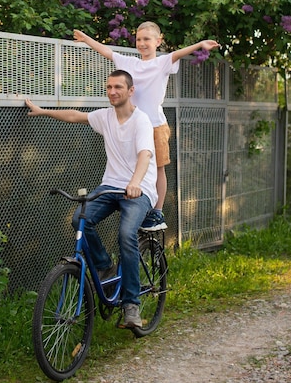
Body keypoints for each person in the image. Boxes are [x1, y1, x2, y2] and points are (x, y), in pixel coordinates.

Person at [25, 69, 157, 328]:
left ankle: (131, 305)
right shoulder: (106, 117)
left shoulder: (140, 121)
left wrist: (135, 182)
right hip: (111, 186)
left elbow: (145, 155)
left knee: (126, 234)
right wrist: (44, 112)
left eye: (118, 87)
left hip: (139, 189)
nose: (112, 92)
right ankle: (105, 267)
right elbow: (76, 116)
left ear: (130, 91)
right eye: (108, 87)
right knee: (79, 220)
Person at [74, 22, 220, 230]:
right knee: (136, 168)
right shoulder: (129, 63)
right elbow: (107, 52)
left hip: (154, 126)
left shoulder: (161, 63)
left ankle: (156, 212)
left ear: (158, 41)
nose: (142, 43)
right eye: (139, 39)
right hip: (133, 125)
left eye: (147, 39)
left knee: (158, 168)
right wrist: (86, 39)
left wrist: (200, 44)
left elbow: (177, 54)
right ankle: (137, 206)